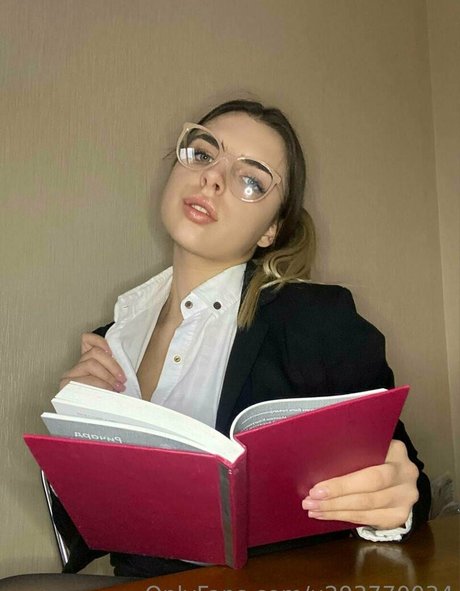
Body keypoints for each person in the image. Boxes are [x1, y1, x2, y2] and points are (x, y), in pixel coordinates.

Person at [1, 99, 430, 589]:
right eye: (204, 154)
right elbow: (94, 533)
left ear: (271, 230)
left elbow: (405, 476)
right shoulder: (108, 341)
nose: (213, 178)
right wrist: (77, 430)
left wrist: (395, 501)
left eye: (251, 180)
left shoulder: (316, 320)